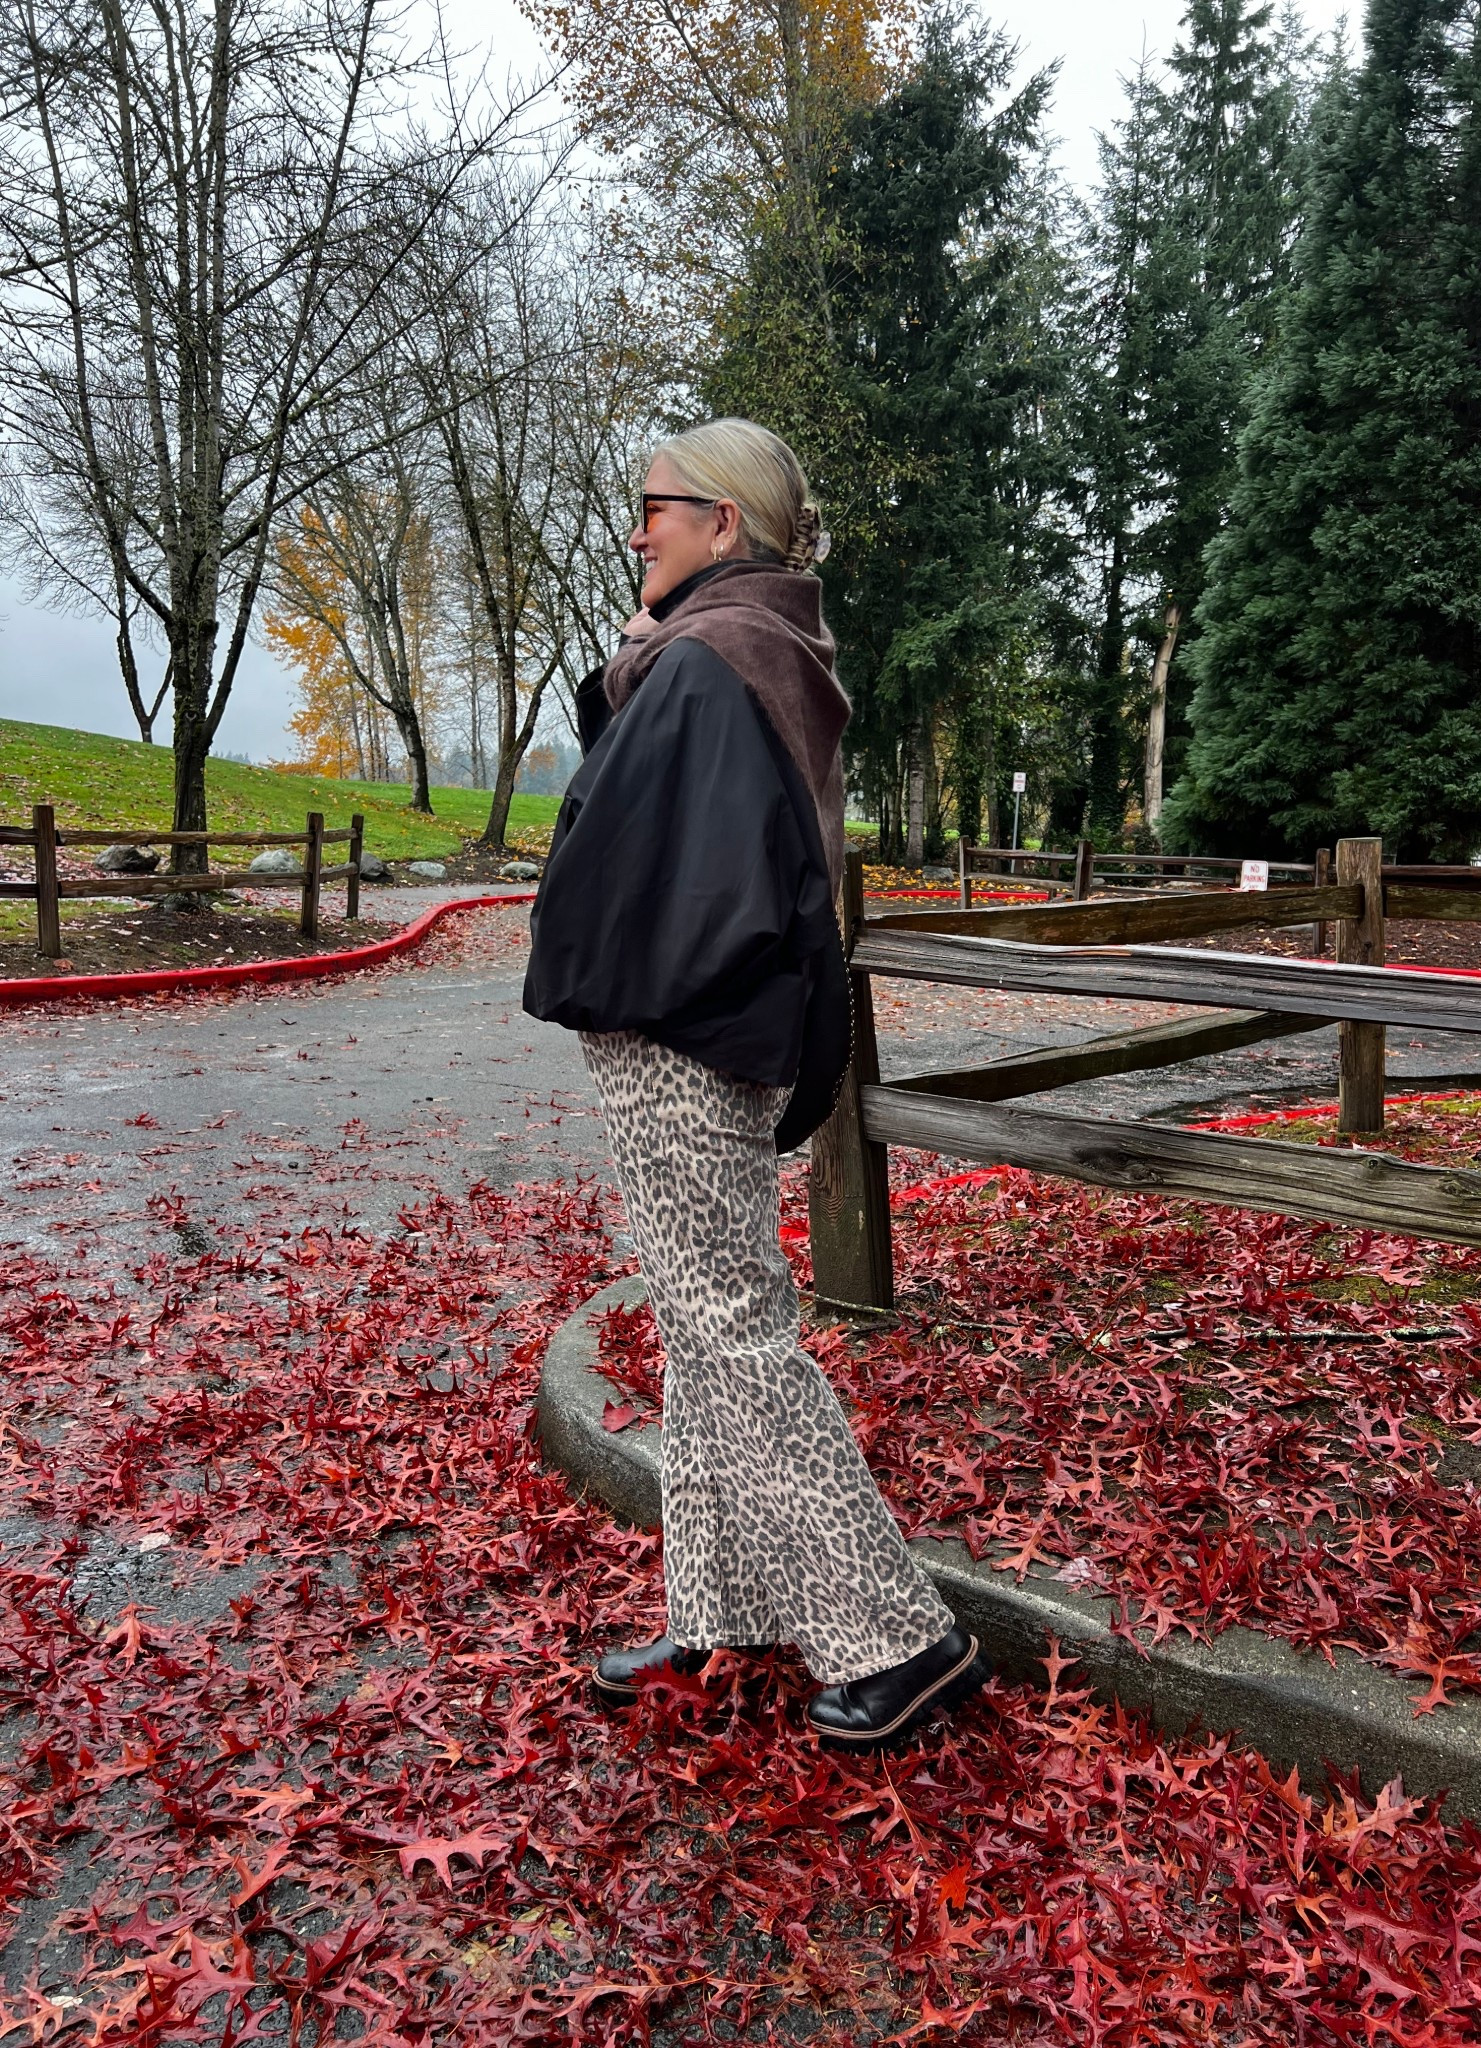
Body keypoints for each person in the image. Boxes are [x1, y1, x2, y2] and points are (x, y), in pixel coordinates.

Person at [523, 418, 989, 1753]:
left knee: (730, 1330)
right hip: (698, 1030)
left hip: (681, 1037)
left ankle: (908, 1643)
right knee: (701, 1326)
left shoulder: (713, 661)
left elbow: (648, 858)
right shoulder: (734, 651)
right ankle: (718, 1608)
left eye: (657, 507)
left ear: (724, 523)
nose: (638, 527)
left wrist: (628, 680)